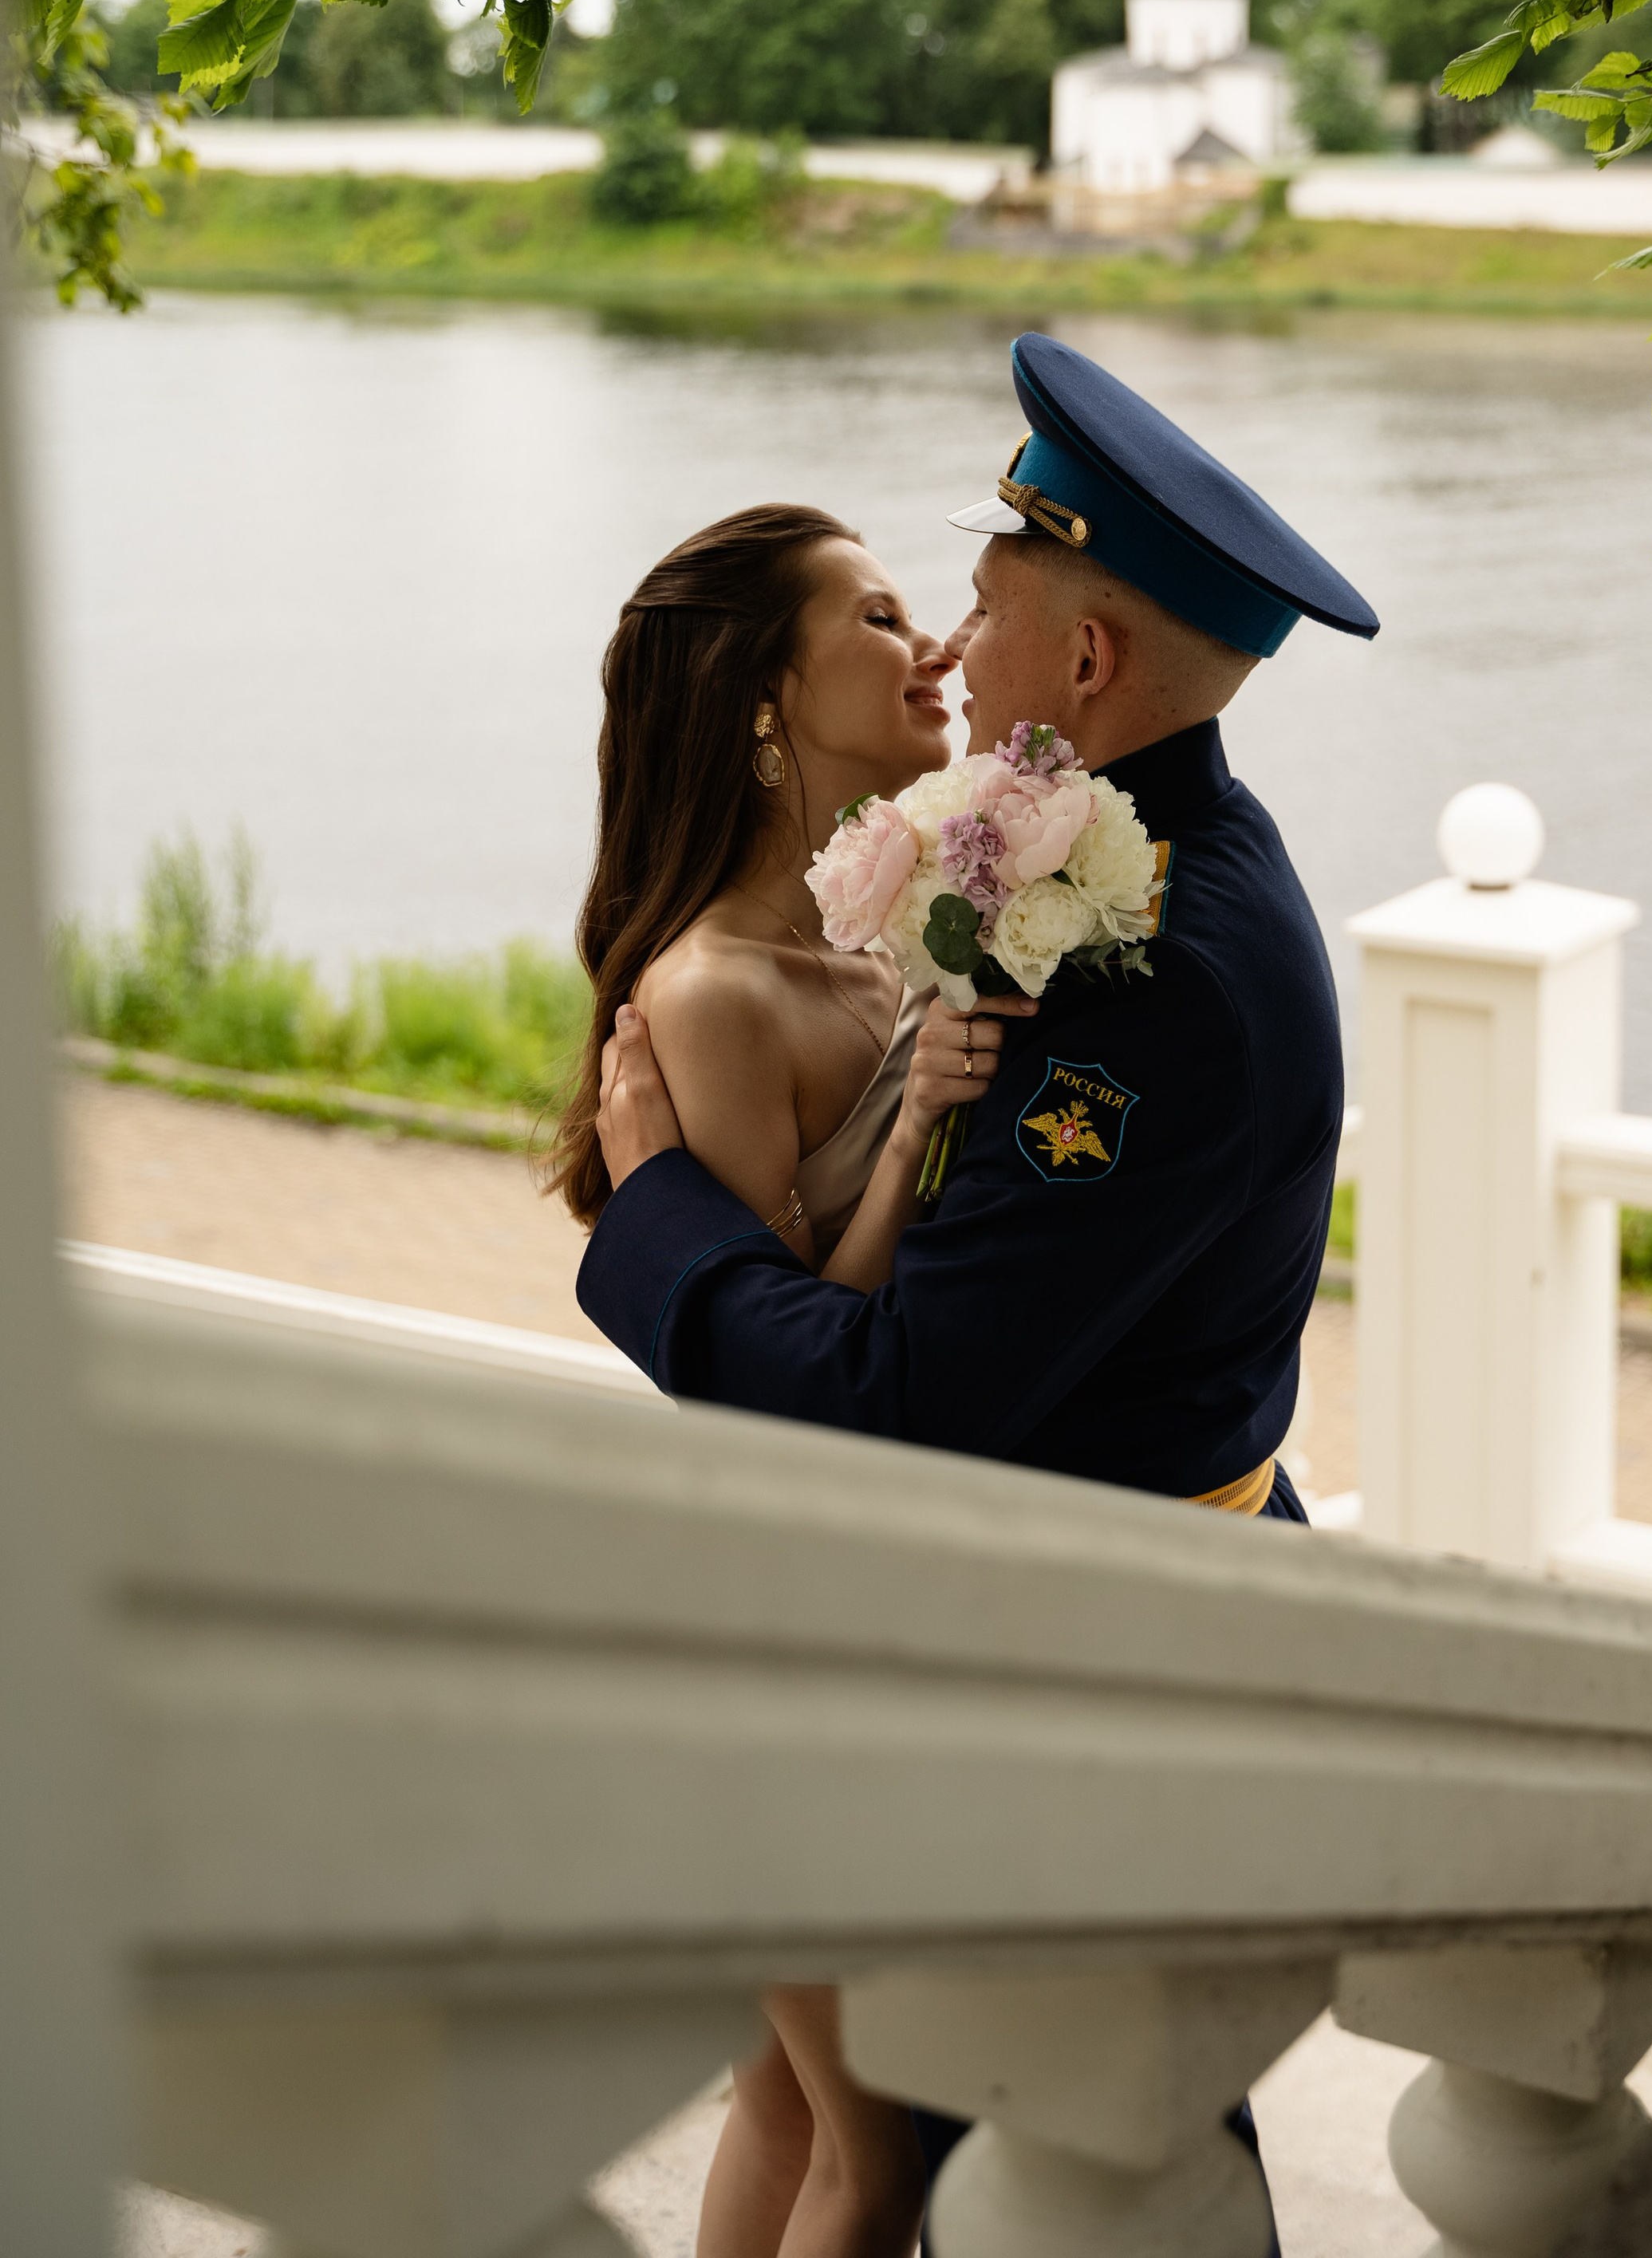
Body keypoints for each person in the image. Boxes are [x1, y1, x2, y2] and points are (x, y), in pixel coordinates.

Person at [578, 334, 1379, 2243]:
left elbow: (894, 1397)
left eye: (985, 593)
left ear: (1086, 663)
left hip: (1086, 1653)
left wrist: (655, 1208)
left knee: (1060, 2152)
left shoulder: (1148, 962)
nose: (952, 636)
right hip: (1078, 1618)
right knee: (1057, 2141)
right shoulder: (1127, 853)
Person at [550, 502, 1037, 2258]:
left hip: (895, 1587)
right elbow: (770, 1366)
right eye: (880, 615)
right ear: (764, 695)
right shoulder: (711, 994)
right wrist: (917, 1135)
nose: (929, 648)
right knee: (878, 2149)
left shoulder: (890, 931)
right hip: (785, 1614)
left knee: (789, 2098)